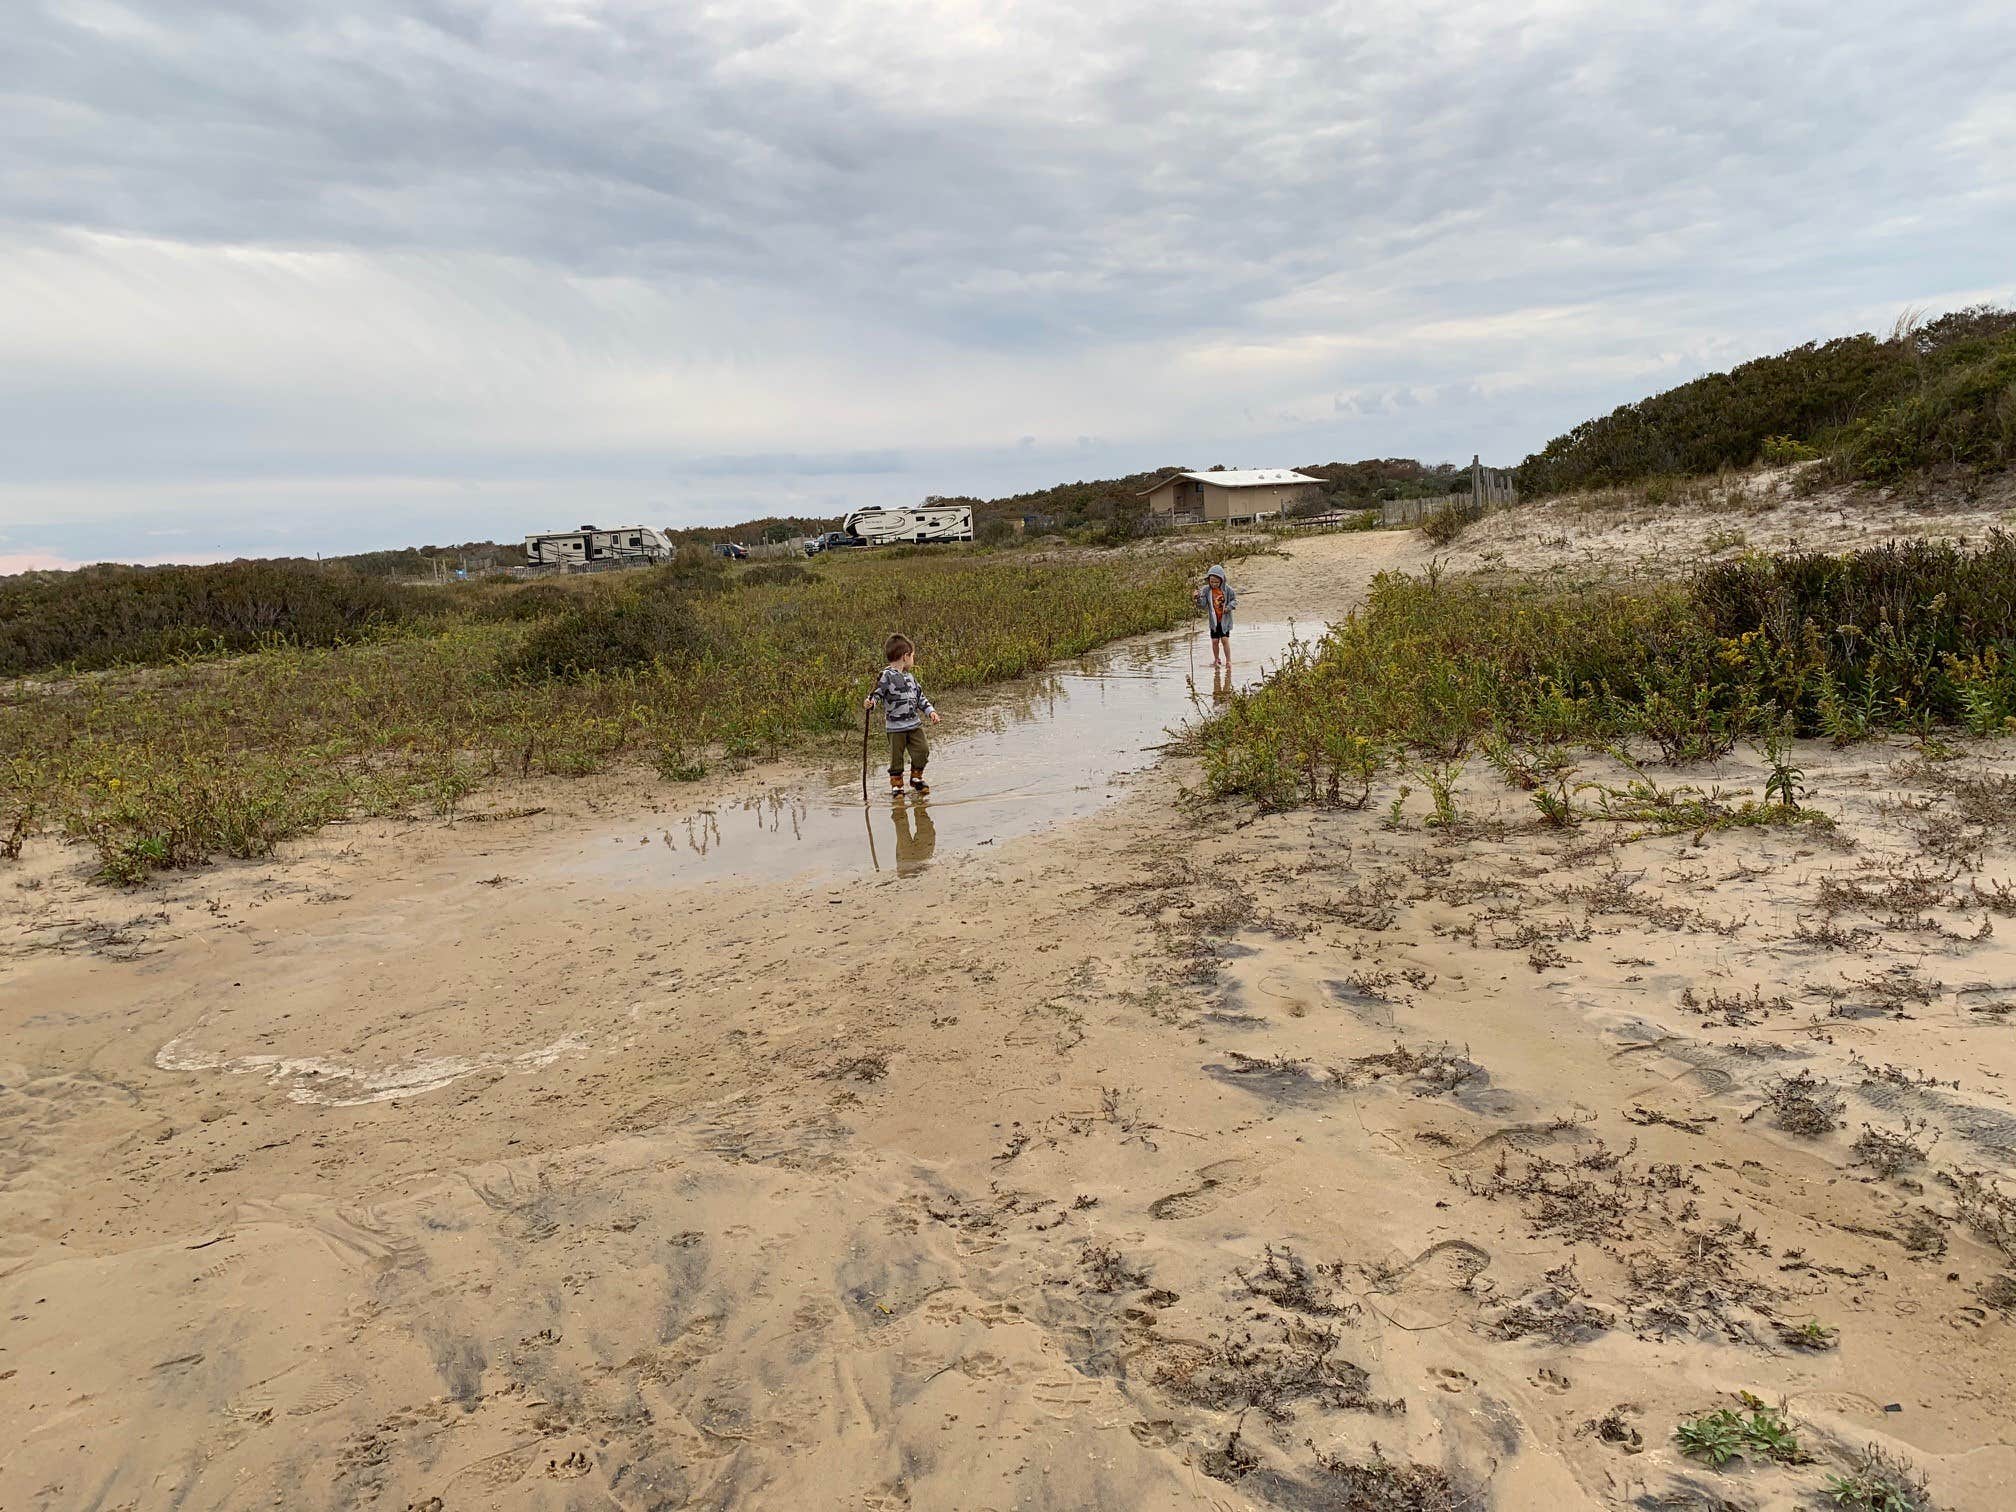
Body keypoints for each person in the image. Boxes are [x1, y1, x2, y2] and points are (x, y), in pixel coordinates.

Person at [865, 633, 941, 795]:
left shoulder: (911, 678)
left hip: (914, 724)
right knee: (896, 758)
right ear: (905, 657)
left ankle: (916, 778)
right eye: (913, 656)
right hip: (895, 727)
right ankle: (897, 785)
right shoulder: (886, 676)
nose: (913, 660)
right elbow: (876, 694)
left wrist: (931, 711)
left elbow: (920, 698)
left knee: (922, 750)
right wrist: (870, 703)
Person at [1197, 564, 1237, 668]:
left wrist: (1228, 607)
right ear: (1208, 581)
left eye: (1217, 582)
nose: (1214, 584)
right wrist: (1197, 598)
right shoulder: (1206, 590)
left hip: (1224, 620)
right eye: (1212, 582)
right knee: (1215, 641)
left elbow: (1234, 600)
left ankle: (1228, 661)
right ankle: (1216, 660)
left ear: (1222, 580)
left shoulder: (1228, 590)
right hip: (1214, 621)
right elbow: (1202, 605)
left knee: (1224, 640)